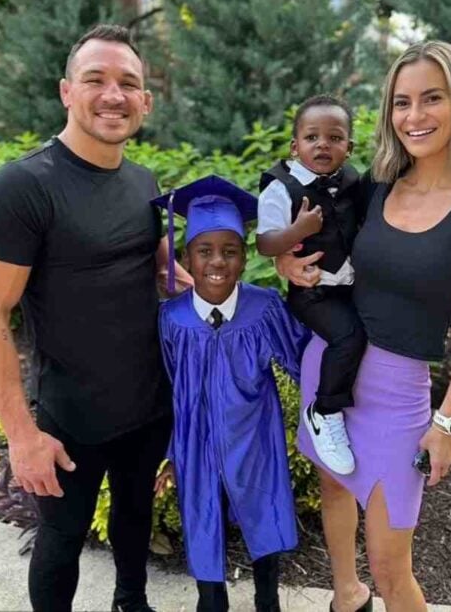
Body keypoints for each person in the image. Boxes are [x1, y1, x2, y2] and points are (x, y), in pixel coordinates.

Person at [279, 41, 451, 611]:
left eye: (431, 99)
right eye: (401, 102)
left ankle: (367, 589)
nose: (414, 117)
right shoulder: (376, 185)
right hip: (330, 361)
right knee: (332, 482)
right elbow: (316, 238)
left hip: (397, 393)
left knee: (392, 569)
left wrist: (449, 422)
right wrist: (284, 259)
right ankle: (344, 595)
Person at [0, 24, 191, 612]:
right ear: (67, 91)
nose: (113, 95)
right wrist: (22, 436)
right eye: (96, 80)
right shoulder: (20, 188)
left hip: (148, 405)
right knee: (61, 542)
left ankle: (130, 601)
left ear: (145, 101)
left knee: (135, 516)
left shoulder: (143, 180)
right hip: (70, 417)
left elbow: (141, 260)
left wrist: (167, 269)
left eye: (129, 83)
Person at [153, 176, 310, 612]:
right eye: (204, 251)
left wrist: (328, 412)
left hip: (255, 433)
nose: (217, 262)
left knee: (264, 508)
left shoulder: (264, 308)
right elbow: (164, 384)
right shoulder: (172, 320)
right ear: (186, 257)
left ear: (245, 258)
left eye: (231, 250)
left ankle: (267, 599)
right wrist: (167, 450)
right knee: (202, 515)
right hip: (194, 439)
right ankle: (211, 600)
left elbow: (303, 360)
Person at [256, 95, 365, 475]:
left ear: (348, 148)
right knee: (348, 336)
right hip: (312, 290)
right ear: (295, 145)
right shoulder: (281, 187)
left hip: (351, 284)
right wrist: (297, 231)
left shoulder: (352, 180)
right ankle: (325, 410)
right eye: (312, 136)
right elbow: (264, 242)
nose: (323, 144)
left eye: (335, 138)